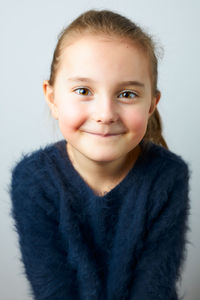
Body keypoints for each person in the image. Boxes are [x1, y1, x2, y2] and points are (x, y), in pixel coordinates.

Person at [9, 9, 191, 300]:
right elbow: (53, 289)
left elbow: (154, 288)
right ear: (53, 98)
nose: (105, 114)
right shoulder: (32, 179)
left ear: (151, 104)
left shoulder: (168, 176)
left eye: (127, 94)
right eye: (83, 90)